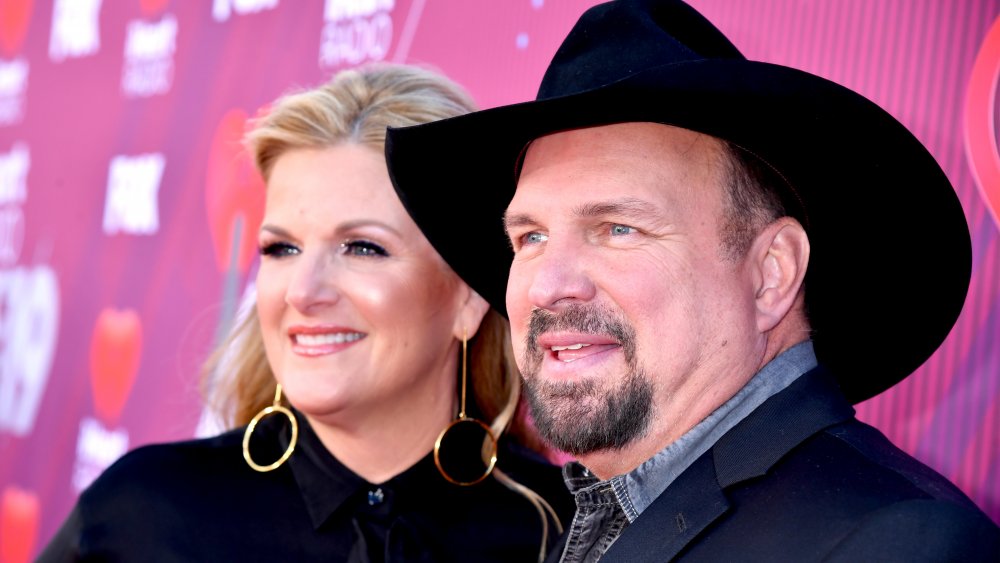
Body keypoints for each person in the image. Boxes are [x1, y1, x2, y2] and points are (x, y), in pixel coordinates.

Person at [383, 0, 1000, 561]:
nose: (548, 286)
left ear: (770, 274)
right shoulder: (565, 524)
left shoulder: (898, 544)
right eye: (530, 238)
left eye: (618, 228)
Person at [39, 64, 572, 562]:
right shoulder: (143, 516)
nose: (301, 291)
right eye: (282, 249)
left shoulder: (565, 532)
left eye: (362, 247)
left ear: (469, 296)